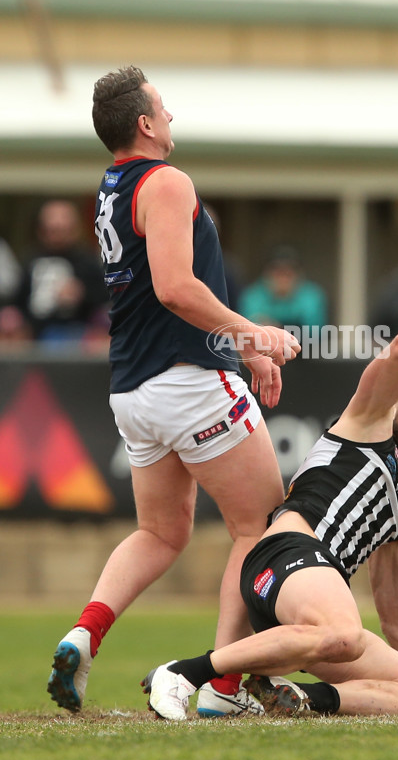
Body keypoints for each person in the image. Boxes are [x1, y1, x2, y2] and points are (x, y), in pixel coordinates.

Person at [142, 305, 398, 720]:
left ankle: (298, 697)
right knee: (343, 633)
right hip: (283, 557)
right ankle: (184, 673)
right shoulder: (366, 422)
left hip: (313, 611)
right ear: (394, 405)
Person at [47, 65, 300, 716]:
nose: (172, 117)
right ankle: (222, 686)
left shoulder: (113, 185)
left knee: (160, 533)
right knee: (262, 526)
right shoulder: (165, 181)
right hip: (185, 382)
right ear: (145, 123)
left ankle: (85, 633)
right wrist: (257, 334)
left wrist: (241, 349)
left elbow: (165, 301)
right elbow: (176, 290)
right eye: (164, 107)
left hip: (133, 389)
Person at [14, 199, 108, 343]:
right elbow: (17, 300)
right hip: (33, 337)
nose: (58, 237)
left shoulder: (87, 261)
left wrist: (82, 293)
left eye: (63, 230)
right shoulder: (30, 260)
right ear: (41, 230)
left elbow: (104, 300)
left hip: (77, 335)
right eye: (53, 231)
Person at [239, 244, 328, 330]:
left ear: (299, 274)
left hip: (303, 344)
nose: (283, 278)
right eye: (278, 271)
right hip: (264, 344)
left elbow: (315, 331)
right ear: (266, 273)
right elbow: (246, 328)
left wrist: (279, 327)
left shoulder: (312, 295)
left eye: (288, 272)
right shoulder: (253, 295)